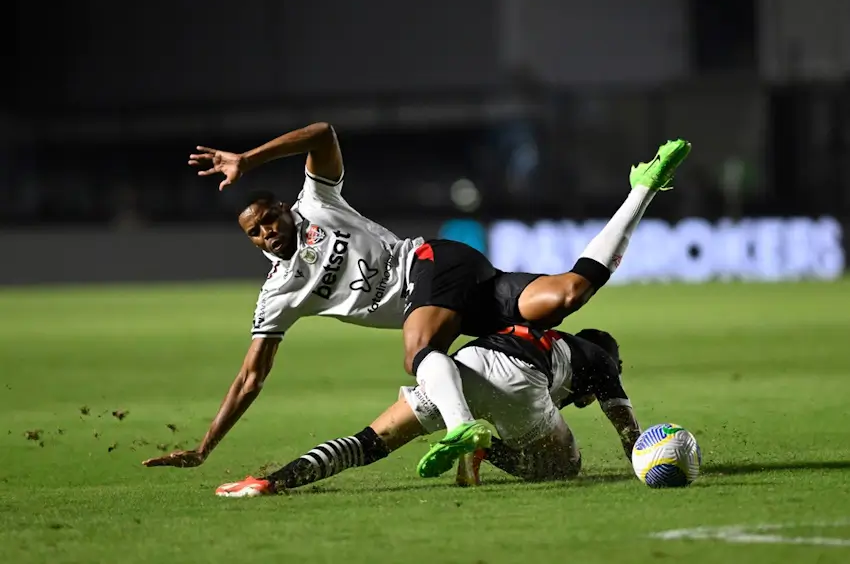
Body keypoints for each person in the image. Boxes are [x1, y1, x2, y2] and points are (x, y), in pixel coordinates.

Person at [141, 121, 689, 475]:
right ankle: (642, 188)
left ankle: (461, 429)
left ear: (285, 208)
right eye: (255, 232)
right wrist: (204, 446)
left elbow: (323, 134)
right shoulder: (277, 295)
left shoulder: (316, 202)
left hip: (430, 264)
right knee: (569, 294)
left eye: (270, 218)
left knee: (418, 353)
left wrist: (248, 159)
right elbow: (250, 378)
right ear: (251, 242)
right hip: (465, 297)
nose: (267, 232)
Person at [215, 325, 639, 497]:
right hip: (520, 381)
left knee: (368, 443)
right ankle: (484, 447)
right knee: (563, 468)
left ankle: (271, 482)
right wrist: (646, 461)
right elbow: (627, 430)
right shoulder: (598, 358)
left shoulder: (548, 334)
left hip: (462, 367)